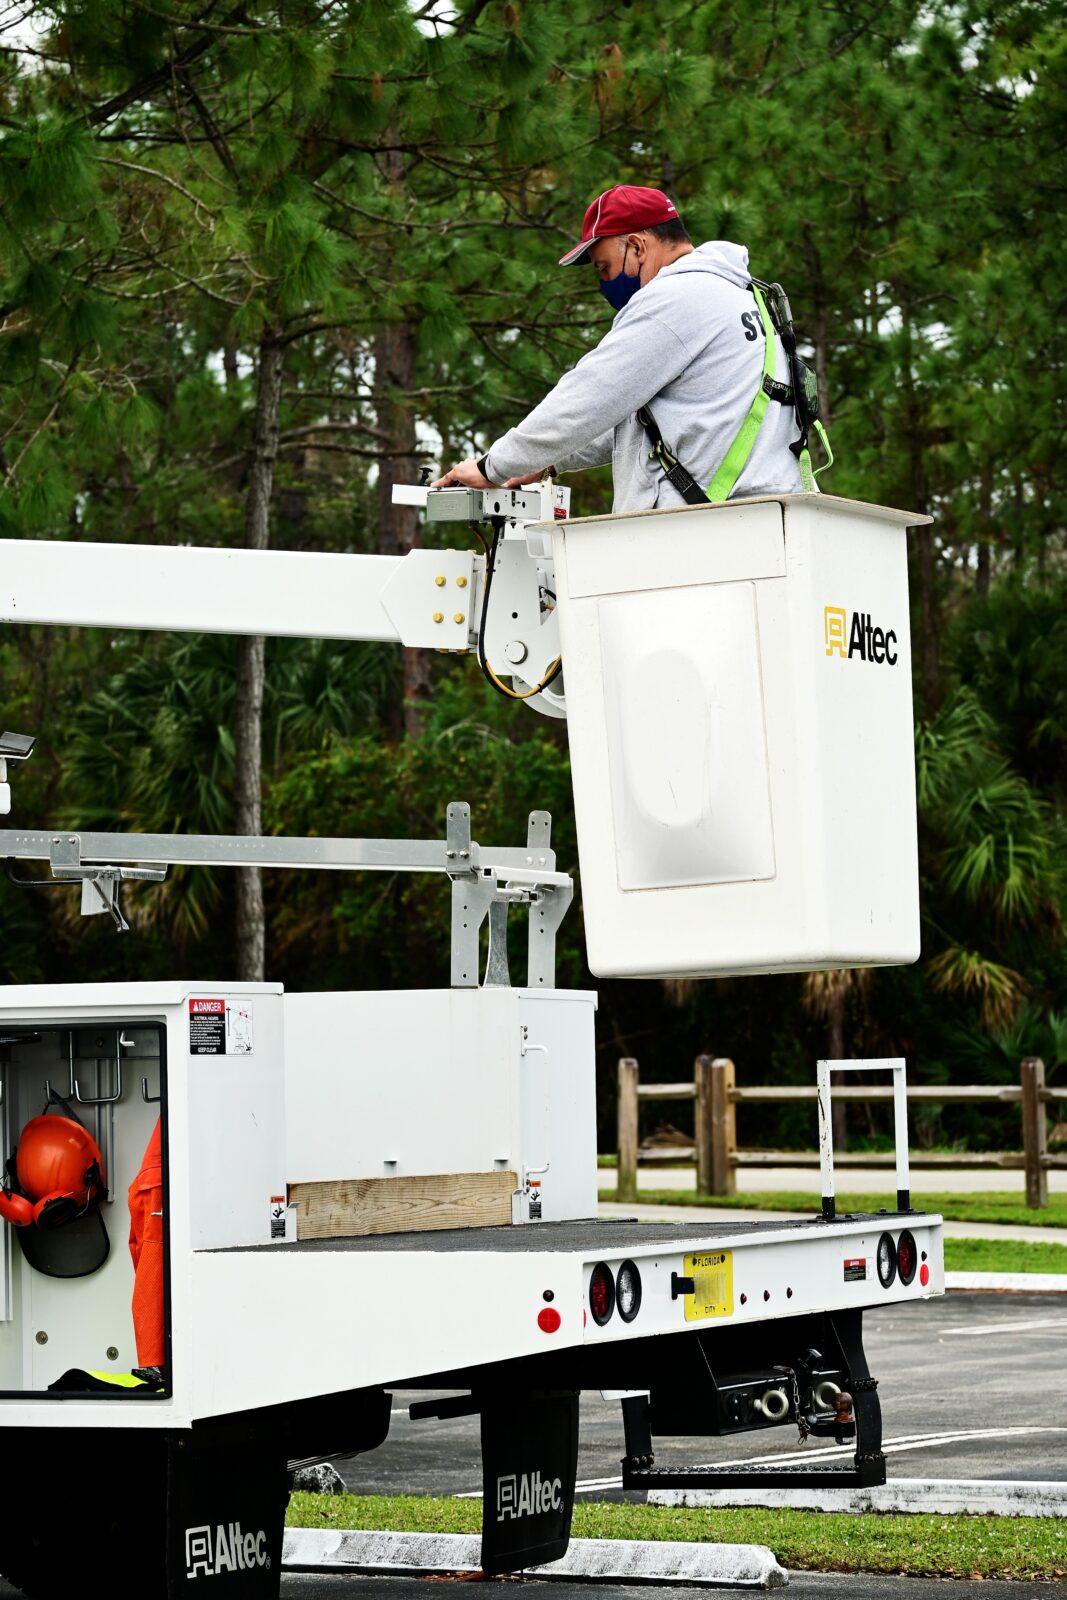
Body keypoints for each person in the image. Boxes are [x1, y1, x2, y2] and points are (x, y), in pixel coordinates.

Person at [432, 184, 804, 511]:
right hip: (760, 518)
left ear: (638, 246)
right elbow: (645, 420)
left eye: (604, 268)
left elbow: (588, 398)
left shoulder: (675, 299)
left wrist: (491, 466)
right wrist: (549, 461)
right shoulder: (741, 295)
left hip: (698, 532)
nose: (604, 283)